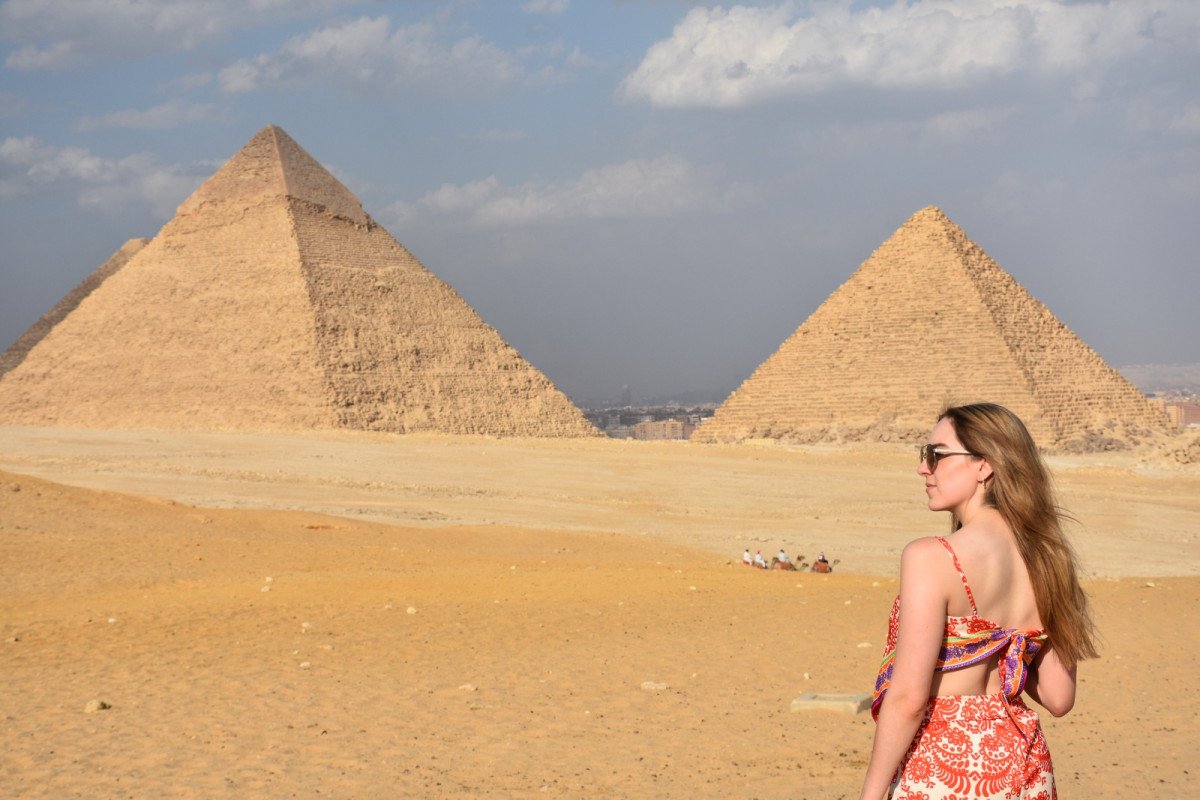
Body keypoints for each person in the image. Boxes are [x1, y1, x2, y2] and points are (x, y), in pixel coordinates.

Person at [860, 403, 1097, 800]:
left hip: (945, 762)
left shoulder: (932, 556)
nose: (923, 468)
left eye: (935, 454)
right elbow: (1059, 698)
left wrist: (870, 793)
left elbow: (908, 700)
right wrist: (1008, 641)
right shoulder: (1050, 559)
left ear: (984, 465)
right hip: (1023, 762)